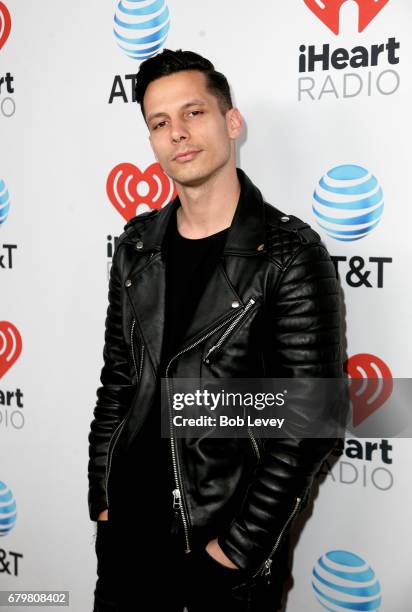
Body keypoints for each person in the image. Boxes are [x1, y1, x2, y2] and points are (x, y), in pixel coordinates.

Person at [88, 49, 343, 612]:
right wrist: (104, 504)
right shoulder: (135, 249)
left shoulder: (290, 255)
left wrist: (234, 551)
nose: (177, 133)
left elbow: (312, 423)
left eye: (193, 113)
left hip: (219, 556)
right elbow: (118, 384)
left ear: (231, 121)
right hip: (126, 542)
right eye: (160, 123)